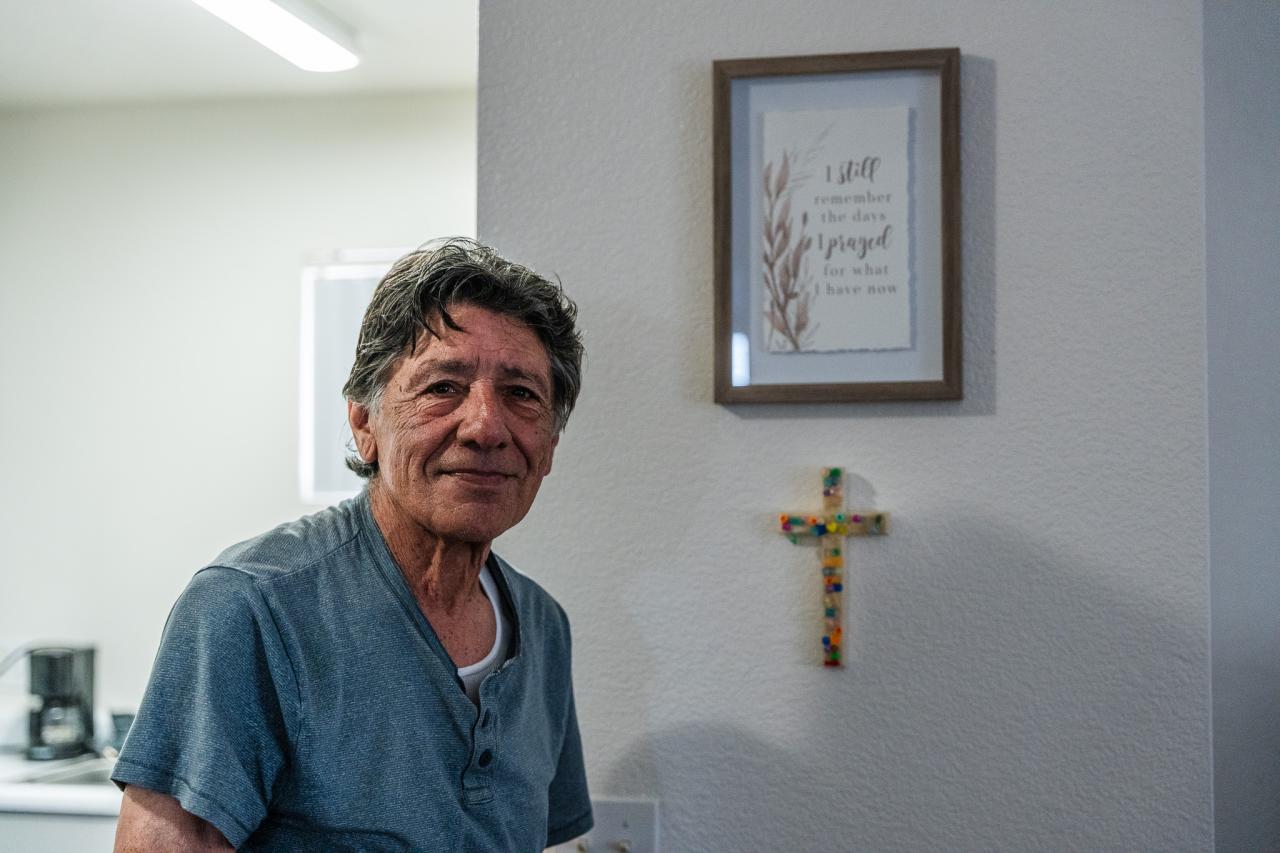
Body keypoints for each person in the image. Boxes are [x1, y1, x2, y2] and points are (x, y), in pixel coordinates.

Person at [112, 238, 593, 852]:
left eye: (522, 394)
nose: (485, 427)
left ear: (548, 448)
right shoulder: (253, 608)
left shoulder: (543, 628)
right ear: (365, 424)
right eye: (443, 386)